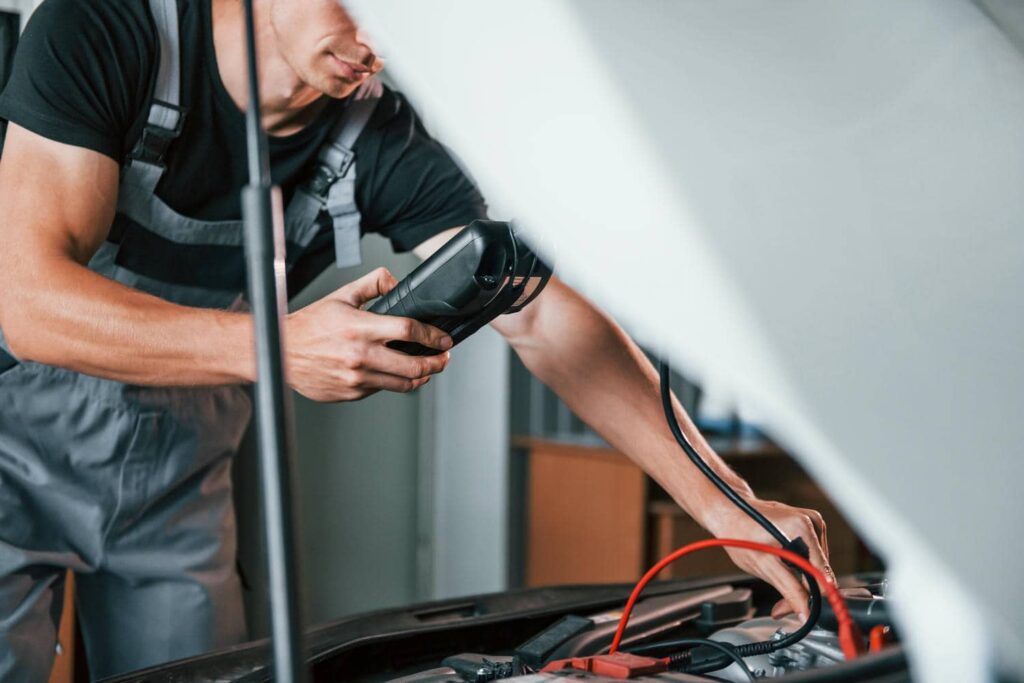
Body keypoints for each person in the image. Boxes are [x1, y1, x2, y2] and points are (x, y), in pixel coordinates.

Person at [0, 0, 833, 678]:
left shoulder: (372, 133)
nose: (379, 44)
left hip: (178, 481)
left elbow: (539, 314)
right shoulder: (105, 29)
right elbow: (27, 300)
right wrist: (279, 349)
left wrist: (731, 505)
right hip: (12, 459)